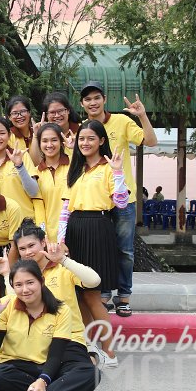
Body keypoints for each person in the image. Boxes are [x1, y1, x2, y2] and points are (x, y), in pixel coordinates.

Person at [78, 81, 158, 317]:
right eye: (87, 99)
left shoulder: (121, 121)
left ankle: (123, 296)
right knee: (100, 248)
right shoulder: (85, 128)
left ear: (104, 99)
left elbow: (150, 142)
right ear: (82, 104)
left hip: (124, 197)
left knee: (125, 250)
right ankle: (103, 295)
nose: (92, 103)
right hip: (98, 200)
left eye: (96, 98)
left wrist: (142, 116)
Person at [0, 260, 98, 391]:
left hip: (49, 366)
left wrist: (43, 380)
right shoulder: (4, 305)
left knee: (91, 373)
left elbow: (57, 354)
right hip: (17, 366)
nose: (25, 290)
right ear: (12, 286)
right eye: (18, 285)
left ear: (41, 281)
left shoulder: (61, 309)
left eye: (30, 282)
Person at [58, 119, 128, 367]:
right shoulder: (75, 169)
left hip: (98, 228)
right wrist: (60, 239)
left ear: (101, 141)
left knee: (92, 295)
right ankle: (90, 345)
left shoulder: (109, 167)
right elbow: (65, 207)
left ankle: (110, 351)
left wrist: (118, 172)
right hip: (75, 230)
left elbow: (120, 202)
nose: (85, 143)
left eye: (90, 138)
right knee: (78, 294)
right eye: (81, 139)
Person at [12, 221, 102, 364]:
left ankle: (89, 355)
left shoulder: (62, 268)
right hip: (35, 340)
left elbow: (94, 280)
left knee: (85, 370)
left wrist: (63, 259)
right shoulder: (19, 275)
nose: (28, 252)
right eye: (22, 249)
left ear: (43, 242)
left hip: (69, 337)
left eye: (31, 246)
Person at [31, 123, 71, 243]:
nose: (49, 145)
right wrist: (44, 236)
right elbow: (39, 208)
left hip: (75, 230)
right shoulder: (36, 172)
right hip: (49, 237)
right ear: (39, 144)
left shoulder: (73, 166)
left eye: (54, 140)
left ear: (61, 142)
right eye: (44, 141)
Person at [29, 91, 81, 167]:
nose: (57, 115)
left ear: (68, 111)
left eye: (60, 111)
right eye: (52, 112)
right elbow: (35, 164)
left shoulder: (81, 131)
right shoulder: (44, 135)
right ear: (46, 115)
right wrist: (36, 135)